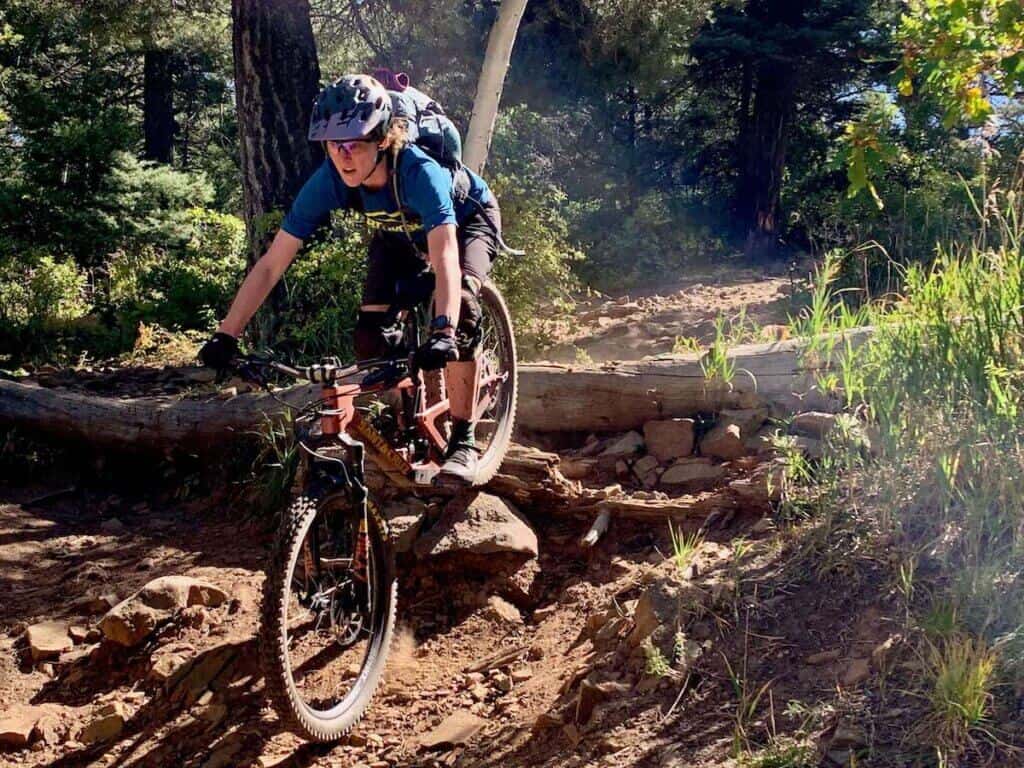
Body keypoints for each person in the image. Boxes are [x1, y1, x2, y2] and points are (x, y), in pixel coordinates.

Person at [198, 74, 502, 486]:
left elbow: (446, 251)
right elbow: (272, 263)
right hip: (397, 232)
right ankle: (408, 411)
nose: (343, 156)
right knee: (369, 340)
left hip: (467, 222)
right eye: (332, 144)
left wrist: (444, 328)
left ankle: (463, 441)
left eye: (354, 143)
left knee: (461, 306)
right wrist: (226, 335)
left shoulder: (419, 171)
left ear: (381, 138)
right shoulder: (330, 179)